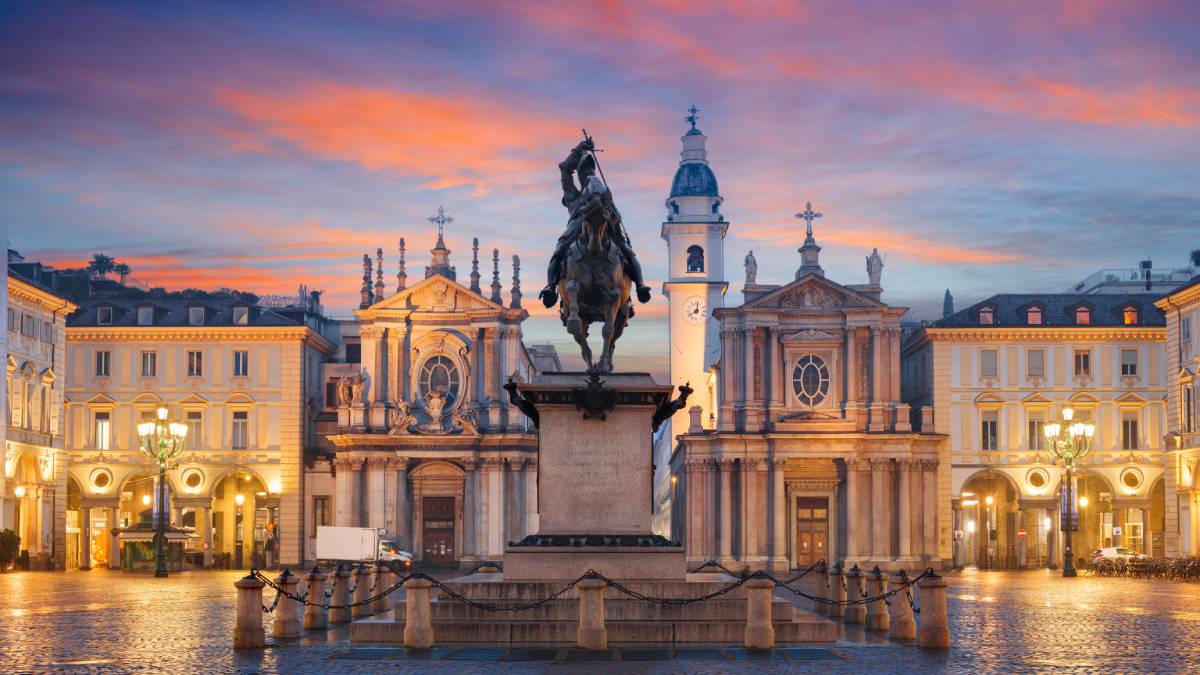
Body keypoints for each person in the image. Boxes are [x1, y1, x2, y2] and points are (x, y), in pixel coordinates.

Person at [539, 138, 651, 308]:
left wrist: (610, 211)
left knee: (628, 252)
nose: (587, 174)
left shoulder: (602, 191)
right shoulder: (572, 195)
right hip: (576, 229)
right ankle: (550, 286)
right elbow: (564, 168)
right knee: (559, 251)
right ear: (580, 174)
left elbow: (617, 214)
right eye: (584, 171)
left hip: (606, 225)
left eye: (589, 170)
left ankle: (640, 285)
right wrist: (578, 149)